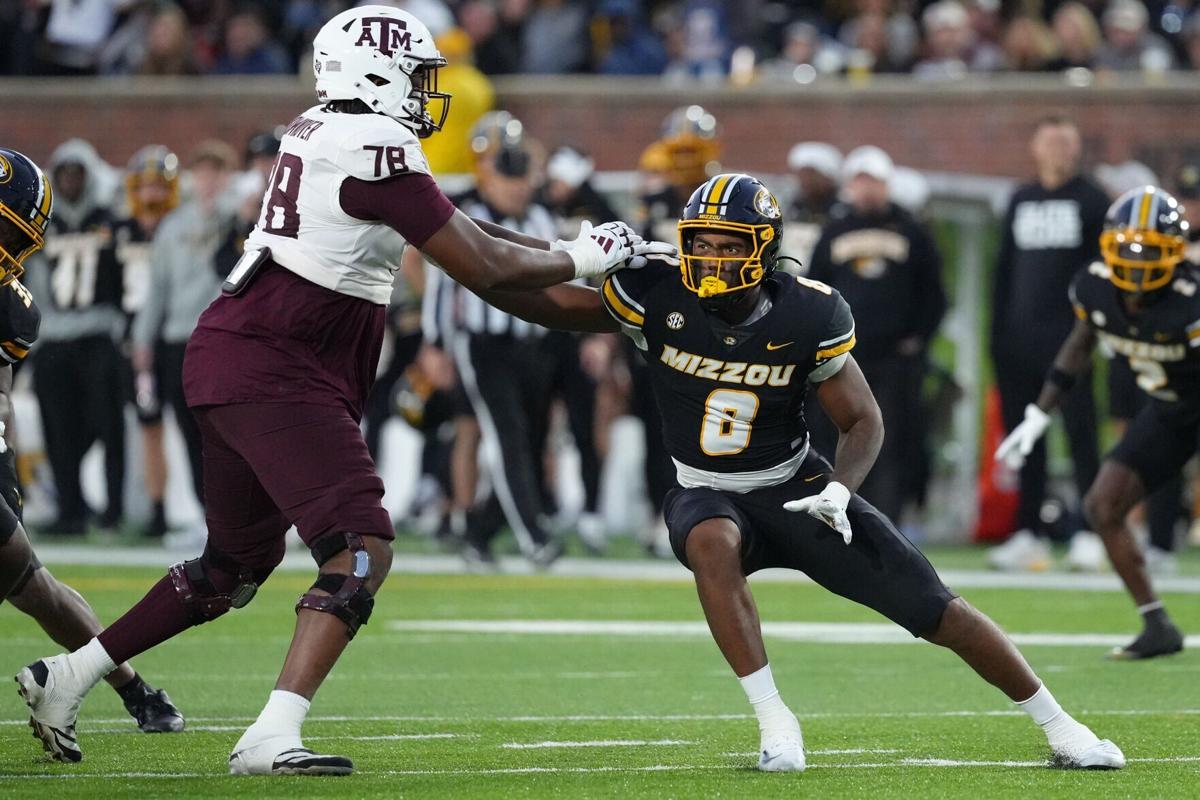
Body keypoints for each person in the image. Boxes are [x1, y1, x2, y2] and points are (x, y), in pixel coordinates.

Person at [15, 5, 669, 776]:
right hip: (276, 365)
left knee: (229, 571)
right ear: (374, 69)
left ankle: (68, 675)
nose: (428, 94)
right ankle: (269, 735)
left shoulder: (329, 133)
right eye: (419, 75)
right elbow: (492, 266)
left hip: (238, 356)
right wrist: (589, 250)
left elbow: (492, 265)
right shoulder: (374, 143)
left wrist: (618, 311)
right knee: (360, 548)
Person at [465, 171, 1124, 772]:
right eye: (702, 243)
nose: (712, 258)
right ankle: (775, 720)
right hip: (705, 491)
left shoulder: (809, 312)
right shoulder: (657, 293)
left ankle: (1062, 726)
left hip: (798, 489)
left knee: (935, 608)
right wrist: (455, 226)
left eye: (729, 245)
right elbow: (521, 288)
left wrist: (840, 489)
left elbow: (863, 421)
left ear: (764, 249)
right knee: (711, 540)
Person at [0, 147, 184, 745]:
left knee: (29, 579)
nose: (20, 247)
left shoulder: (11, 306)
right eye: (14, 229)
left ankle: (130, 688)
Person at [996, 185, 1193, 660]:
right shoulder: (1095, 286)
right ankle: (1157, 623)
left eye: (1151, 250)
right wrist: (1040, 411)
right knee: (1102, 507)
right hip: (1171, 410)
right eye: (1129, 247)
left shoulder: (1192, 299)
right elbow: (1081, 342)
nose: (1139, 261)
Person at [989, 115, 1110, 572]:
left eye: (1065, 142)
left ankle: (1089, 531)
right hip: (1019, 342)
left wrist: (1095, 330)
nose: (1057, 150)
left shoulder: (1092, 199)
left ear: (1076, 149)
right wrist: (997, 337)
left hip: (1071, 341)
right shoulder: (1021, 199)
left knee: (1081, 435)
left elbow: (1101, 273)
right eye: (1050, 141)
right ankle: (1028, 532)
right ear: (1035, 148)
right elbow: (1005, 273)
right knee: (1026, 440)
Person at [807, 146, 947, 521]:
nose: (867, 190)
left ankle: (889, 520)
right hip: (843, 359)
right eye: (861, 181)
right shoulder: (833, 231)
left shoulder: (913, 231)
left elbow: (933, 294)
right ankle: (839, 511)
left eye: (875, 182)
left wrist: (917, 341)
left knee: (894, 440)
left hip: (896, 362)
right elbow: (815, 290)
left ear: (888, 185)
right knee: (836, 436)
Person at [25, 139, 126, 534]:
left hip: (100, 334)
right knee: (58, 430)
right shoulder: (42, 224)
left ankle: (113, 511)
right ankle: (70, 511)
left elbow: (124, 279)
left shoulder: (110, 219)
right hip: (54, 339)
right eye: (64, 172)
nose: (69, 180)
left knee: (108, 427)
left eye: (77, 172)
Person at [111, 145, 182, 539]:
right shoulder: (120, 230)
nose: (152, 195)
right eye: (146, 186)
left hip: (177, 338)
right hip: (137, 344)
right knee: (149, 424)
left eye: (160, 187)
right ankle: (157, 509)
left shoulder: (185, 227)